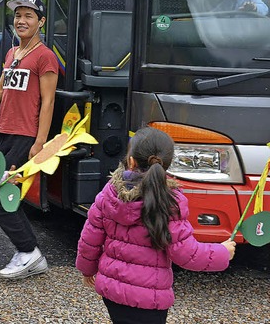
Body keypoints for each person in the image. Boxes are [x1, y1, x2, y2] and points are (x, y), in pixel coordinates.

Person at [76, 127, 236, 324]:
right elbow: (187, 254)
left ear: (131, 160)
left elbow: (90, 239)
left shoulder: (109, 193)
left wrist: (87, 270)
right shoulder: (169, 202)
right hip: (149, 299)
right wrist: (222, 252)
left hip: (113, 292)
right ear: (166, 164)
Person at [0, 0, 59, 279]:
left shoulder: (45, 56)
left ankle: (29, 252)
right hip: (5, 133)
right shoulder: (11, 53)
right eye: (18, 15)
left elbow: (48, 101)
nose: (21, 20)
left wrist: (39, 143)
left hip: (25, 136)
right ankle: (27, 252)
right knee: (7, 196)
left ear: (41, 22)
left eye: (29, 15)